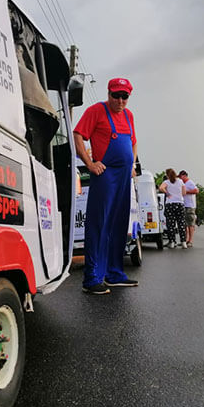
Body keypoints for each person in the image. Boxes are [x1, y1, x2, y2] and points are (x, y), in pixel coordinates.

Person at [73, 78, 138, 294]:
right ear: (109, 94)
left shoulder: (129, 116)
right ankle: (92, 278)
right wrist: (90, 164)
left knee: (119, 225)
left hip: (123, 179)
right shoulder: (96, 111)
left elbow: (133, 142)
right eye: (116, 95)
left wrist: (132, 164)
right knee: (99, 225)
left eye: (124, 96)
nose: (120, 100)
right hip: (105, 175)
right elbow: (78, 134)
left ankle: (114, 274)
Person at [159, 168, 187, 249]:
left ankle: (172, 242)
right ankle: (183, 242)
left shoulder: (166, 182)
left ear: (167, 175)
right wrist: (178, 195)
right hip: (180, 204)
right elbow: (184, 192)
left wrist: (167, 193)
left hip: (170, 204)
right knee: (181, 223)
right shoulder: (180, 181)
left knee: (170, 224)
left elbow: (161, 188)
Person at [179, 170, 199, 247]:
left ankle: (190, 240)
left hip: (190, 206)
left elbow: (196, 191)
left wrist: (186, 192)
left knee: (190, 224)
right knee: (185, 224)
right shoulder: (183, 183)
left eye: (180, 176)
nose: (180, 178)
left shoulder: (190, 182)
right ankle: (186, 240)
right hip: (184, 205)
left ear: (184, 176)